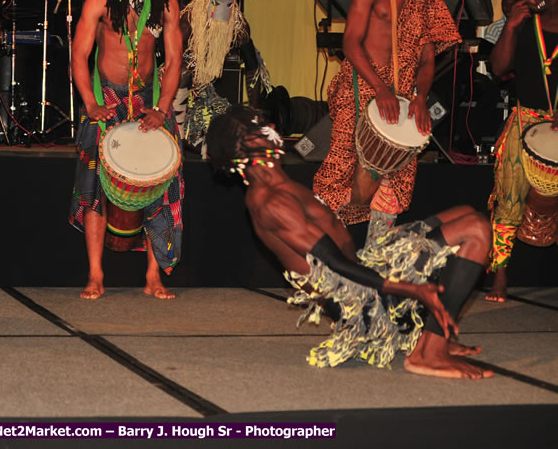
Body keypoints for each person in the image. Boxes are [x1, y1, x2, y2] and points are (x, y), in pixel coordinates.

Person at [207, 106, 493, 379]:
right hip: (360, 305)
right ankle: (429, 351)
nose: (270, 127)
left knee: (465, 214)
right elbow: (335, 264)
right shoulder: (271, 201)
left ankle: (423, 333)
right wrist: (414, 290)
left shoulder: (281, 185)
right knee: (477, 229)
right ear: (242, 148)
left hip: (366, 271)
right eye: (259, 129)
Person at [313, 0, 461, 238]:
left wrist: (420, 98)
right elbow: (350, 42)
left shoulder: (431, 1)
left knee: (397, 179)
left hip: (405, 96)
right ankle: (321, 251)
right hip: (361, 87)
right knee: (339, 170)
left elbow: (427, 59)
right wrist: (380, 89)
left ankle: (375, 260)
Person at [68, 0, 183, 300]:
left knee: (161, 185)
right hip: (105, 100)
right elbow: (79, 55)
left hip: (147, 103)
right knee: (94, 189)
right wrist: (90, 103)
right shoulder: (100, 0)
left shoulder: (165, 2)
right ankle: (96, 274)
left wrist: (163, 111)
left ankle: (153, 277)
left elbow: (175, 60)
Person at [486, 0, 558, 302]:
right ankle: (500, 276)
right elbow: (498, 68)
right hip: (524, 121)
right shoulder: (523, 26)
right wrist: (511, 27)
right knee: (508, 199)